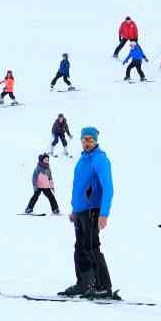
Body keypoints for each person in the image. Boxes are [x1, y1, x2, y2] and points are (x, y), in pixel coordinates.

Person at [60, 127, 115, 299]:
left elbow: (108, 188)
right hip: (81, 212)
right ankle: (84, 284)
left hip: (93, 210)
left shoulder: (100, 160)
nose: (87, 142)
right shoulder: (82, 160)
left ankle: (104, 287)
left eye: (91, 139)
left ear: (96, 140)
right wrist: (74, 210)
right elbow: (78, 187)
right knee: (80, 248)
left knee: (92, 247)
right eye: (84, 139)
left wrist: (104, 213)